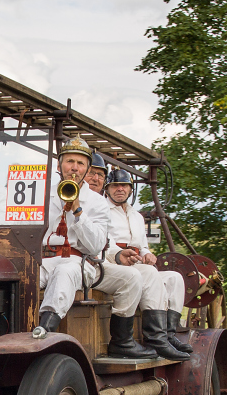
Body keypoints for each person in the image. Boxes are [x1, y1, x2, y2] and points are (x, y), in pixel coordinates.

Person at [36, 138, 155, 359]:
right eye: (69, 161)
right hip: (43, 259)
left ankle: (46, 331)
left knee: (68, 271)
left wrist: (78, 211)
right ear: (60, 165)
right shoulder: (42, 194)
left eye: (80, 164)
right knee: (19, 275)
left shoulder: (98, 202)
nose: (74, 168)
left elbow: (96, 245)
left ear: (87, 168)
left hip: (80, 262)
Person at [101, 169, 193, 358]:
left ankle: (168, 334)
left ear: (130, 189)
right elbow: (104, 244)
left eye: (124, 185)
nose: (120, 189)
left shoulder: (136, 216)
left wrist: (148, 254)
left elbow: (142, 246)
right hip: (114, 263)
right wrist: (119, 255)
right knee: (150, 274)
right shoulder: (101, 210)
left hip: (136, 263)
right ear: (107, 189)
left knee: (175, 278)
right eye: (115, 186)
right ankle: (155, 339)